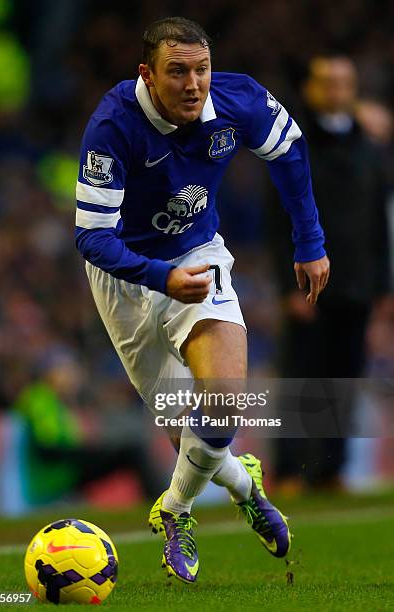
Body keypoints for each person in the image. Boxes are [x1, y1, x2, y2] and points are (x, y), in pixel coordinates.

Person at [75, 17, 329, 583]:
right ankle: (247, 487)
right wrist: (160, 278)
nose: (193, 84)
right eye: (177, 72)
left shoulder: (236, 100)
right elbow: (91, 237)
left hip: (198, 255)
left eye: (201, 69)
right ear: (147, 74)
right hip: (129, 280)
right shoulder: (114, 123)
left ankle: (175, 511)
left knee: (224, 400)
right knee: (192, 437)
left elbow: (288, 149)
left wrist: (309, 240)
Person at [269, 57, 390, 492]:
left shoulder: (369, 149)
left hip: (356, 285)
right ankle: (290, 471)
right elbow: (275, 220)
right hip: (306, 286)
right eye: (328, 83)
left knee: (344, 378)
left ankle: (330, 469)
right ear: (313, 89)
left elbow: (379, 222)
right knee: (302, 378)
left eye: (344, 82)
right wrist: (287, 285)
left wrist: (383, 286)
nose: (337, 91)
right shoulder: (291, 145)